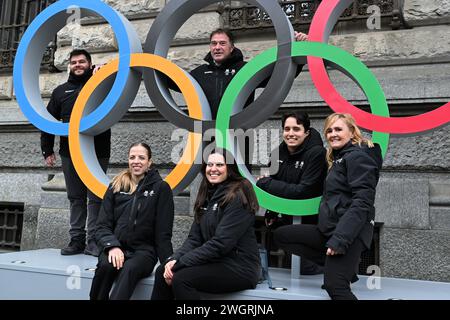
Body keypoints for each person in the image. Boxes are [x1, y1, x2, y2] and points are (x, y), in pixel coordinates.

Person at [273, 113, 383, 300]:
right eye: (329, 130)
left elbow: (362, 203)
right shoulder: (339, 158)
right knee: (282, 235)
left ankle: (340, 269)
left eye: (338, 129)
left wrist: (340, 239)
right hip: (329, 229)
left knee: (335, 286)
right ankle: (342, 267)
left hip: (350, 233)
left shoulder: (358, 157)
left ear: (352, 132)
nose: (333, 134)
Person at [166, 29, 308, 167]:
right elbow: (175, 82)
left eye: (222, 43)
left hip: (238, 137)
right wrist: (152, 67)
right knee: (209, 180)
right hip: (207, 137)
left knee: (237, 184)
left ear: (232, 47)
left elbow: (280, 76)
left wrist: (300, 52)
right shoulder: (200, 73)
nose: (217, 47)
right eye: (213, 43)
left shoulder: (246, 70)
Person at [151, 149, 260, 300]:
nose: (213, 169)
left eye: (219, 165)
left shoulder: (238, 195)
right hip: (215, 261)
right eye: (209, 164)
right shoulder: (207, 193)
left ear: (230, 168)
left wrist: (180, 263)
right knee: (162, 271)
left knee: (181, 278)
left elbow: (221, 243)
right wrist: (173, 259)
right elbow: (194, 239)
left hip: (239, 267)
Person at [40, 49, 110, 256]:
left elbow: (117, 97)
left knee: (96, 196)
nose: (78, 65)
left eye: (82, 61)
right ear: (70, 65)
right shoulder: (60, 91)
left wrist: (104, 78)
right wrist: (47, 150)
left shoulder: (101, 85)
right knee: (76, 198)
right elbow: (47, 122)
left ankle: (93, 241)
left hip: (98, 150)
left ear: (90, 64)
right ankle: (76, 240)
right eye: (74, 62)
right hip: (69, 152)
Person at [90, 142, 174, 300]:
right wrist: (112, 246)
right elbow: (101, 226)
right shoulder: (115, 186)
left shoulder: (161, 189)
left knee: (129, 269)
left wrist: (168, 263)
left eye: (142, 157)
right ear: (128, 160)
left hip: (143, 253)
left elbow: (163, 234)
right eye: (132, 157)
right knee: (106, 267)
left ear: (149, 162)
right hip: (116, 248)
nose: (136, 161)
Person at [256, 111, 327, 275]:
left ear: (306, 132)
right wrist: (272, 211)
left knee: (305, 268)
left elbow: (303, 191)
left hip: (312, 220)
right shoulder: (277, 153)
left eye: (296, 129)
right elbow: (273, 183)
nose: (291, 133)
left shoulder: (317, 154)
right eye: (287, 129)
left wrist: (267, 183)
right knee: (292, 267)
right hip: (287, 217)